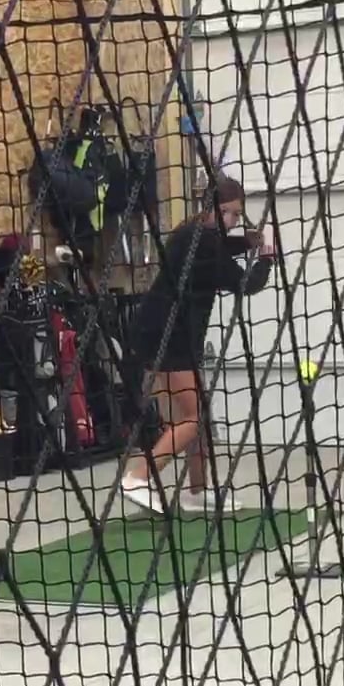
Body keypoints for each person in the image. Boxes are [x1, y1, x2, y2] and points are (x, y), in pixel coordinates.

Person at [120, 173, 278, 514]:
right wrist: (266, 258)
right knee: (192, 418)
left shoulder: (190, 233)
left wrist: (244, 242)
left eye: (237, 214)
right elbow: (244, 283)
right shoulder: (201, 240)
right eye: (227, 212)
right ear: (210, 208)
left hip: (162, 332)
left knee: (197, 421)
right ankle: (138, 477)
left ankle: (197, 491)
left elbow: (217, 248)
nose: (232, 220)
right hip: (169, 336)